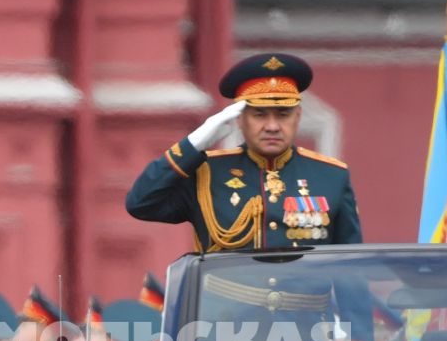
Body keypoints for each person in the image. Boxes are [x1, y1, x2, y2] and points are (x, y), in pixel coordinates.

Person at [126, 53, 361, 250]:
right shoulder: (207, 173)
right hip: (229, 306)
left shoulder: (331, 176)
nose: (272, 126)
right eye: (259, 114)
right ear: (239, 120)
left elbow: (349, 264)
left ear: (297, 116)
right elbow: (141, 203)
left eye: (283, 114)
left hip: (304, 306)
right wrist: (194, 144)